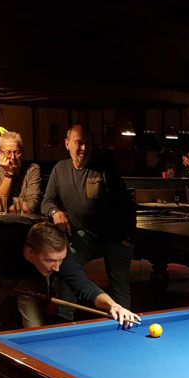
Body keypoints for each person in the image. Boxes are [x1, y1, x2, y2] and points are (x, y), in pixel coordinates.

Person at [0, 215, 140, 378]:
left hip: (30, 278)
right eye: (50, 260)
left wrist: (113, 305)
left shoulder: (57, 256)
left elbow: (83, 285)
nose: (57, 268)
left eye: (60, 260)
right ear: (30, 250)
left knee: (35, 332)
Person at [40, 124, 135, 321]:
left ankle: (125, 321)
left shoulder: (105, 169)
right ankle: (64, 320)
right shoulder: (60, 169)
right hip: (85, 235)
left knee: (119, 284)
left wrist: (128, 237)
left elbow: (125, 204)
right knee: (67, 268)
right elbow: (47, 201)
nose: (83, 147)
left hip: (116, 236)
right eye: (78, 143)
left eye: (87, 143)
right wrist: (55, 212)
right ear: (67, 144)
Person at [0, 131, 41, 213]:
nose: (13, 157)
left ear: (22, 153)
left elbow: (31, 206)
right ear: (0, 153)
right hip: (3, 220)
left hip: (27, 219)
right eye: (8, 152)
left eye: (17, 152)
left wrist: (4, 207)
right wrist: (8, 173)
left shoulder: (32, 169)